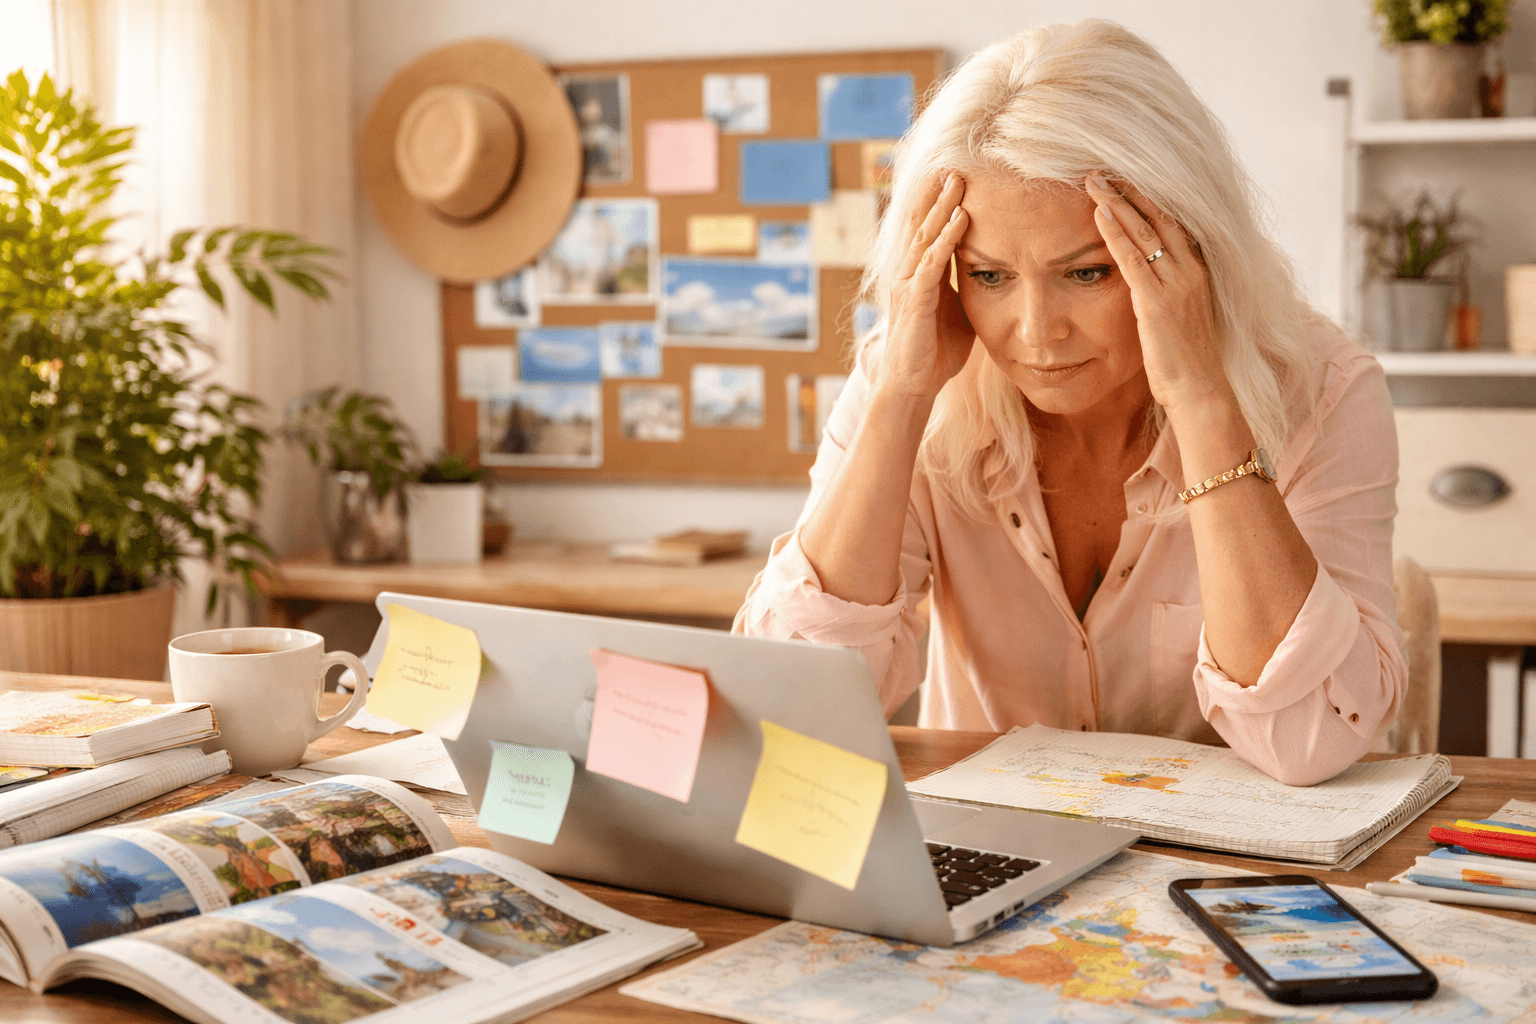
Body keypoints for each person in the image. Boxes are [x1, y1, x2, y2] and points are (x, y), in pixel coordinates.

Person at [734, 20, 1403, 787]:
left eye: (1086, 274)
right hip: (993, 860)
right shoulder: (913, 382)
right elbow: (797, 702)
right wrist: (899, 402)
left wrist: (1201, 402)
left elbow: (1311, 738)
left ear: (1189, 251)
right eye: (989, 277)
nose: (1036, 333)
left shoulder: (1325, 394)